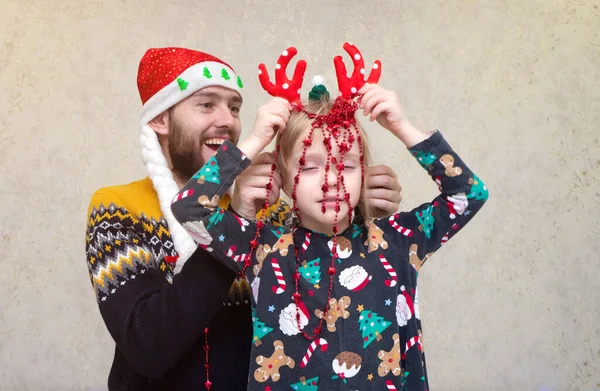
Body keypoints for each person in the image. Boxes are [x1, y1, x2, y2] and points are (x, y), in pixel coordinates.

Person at [170, 45, 489, 391]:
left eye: (347, 164)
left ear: (364, 175)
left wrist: (402, 128)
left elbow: (469, 195)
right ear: (283, 179)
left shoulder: (400, 239)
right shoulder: (262, 247)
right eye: (308, 165)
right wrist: (256, 139)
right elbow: (189, 208)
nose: (331, 180)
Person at [84, 46, 404, 390]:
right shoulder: (118, 208)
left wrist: (356, 216)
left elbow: (331, 307)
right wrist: (235, 222)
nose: (228, 120)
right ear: (160, 118)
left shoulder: (276, 212)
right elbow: (148, 349)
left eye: (234, 107)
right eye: (207, 104)